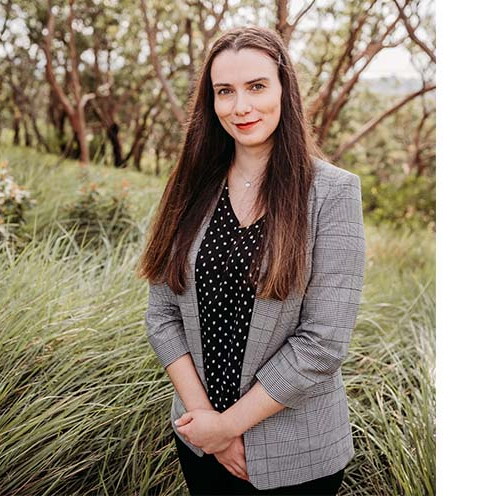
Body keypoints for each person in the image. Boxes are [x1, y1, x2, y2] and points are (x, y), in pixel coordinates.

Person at [137, 26, 366, 495]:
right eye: (225, 91)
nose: (240, 106)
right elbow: (161, 314)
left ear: (284, 89)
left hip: (297, 455)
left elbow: (323, 344)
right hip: (198, 438)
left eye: (257, 86)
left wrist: (229, 427)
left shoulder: (332, 193)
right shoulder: (190, 186)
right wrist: (207, 422)